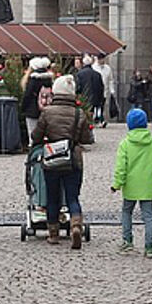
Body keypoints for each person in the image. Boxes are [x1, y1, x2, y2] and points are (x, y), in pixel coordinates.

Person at [31, 75, 94, 249]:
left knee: (52, 197)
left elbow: (35, 136)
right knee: (72, 196)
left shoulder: (47, 112)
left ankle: (53, 234)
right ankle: (75, 225)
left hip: (52, 159)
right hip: (73, 159)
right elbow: (87, 139)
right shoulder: (78, 113)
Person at [111, 108, 152, 259]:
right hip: (148, 186)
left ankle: (127, 241)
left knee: (126, 212)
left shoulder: (125, 144)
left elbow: (121, 167)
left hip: (130, 187)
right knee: (148, 216)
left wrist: (117, 184)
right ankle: (149, 247)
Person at [20, 56, 54, 135]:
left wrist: (23, 108)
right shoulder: (50, 79)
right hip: (47, 110)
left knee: (33, 133)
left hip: (32, 111)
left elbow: (27, 96)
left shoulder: (33, 80)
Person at [75, 55, 105, 124]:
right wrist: (101, 99)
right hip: (95, 97)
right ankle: (91, 121)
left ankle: (86, 122)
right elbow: (101, 87)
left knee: (84, 112)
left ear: (83, 63)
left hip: (84, 97)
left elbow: (78, 87)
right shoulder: (97, 74)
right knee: (92, 111)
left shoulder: (80, 74)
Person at [93, 52, 115, 126]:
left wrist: (112, 90)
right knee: (96, 106)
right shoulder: (94, 67)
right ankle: (98, 119)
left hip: (105, 90)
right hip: (96, 90)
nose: (102, 61)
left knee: (102, 105)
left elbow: (110, 79)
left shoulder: (108, 68)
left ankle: (101, 119)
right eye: (101, 59)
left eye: (103, 59)